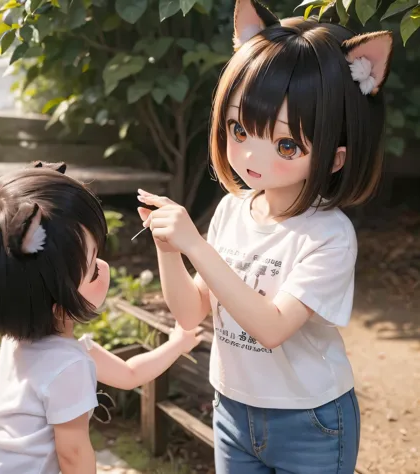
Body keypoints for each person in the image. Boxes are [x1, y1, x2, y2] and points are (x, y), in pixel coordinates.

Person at [136, 1, 393, 473]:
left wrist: (195, 245)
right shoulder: (233, 210)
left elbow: (272, 328)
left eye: (287, 144)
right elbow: (192, 312)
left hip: (311, 420)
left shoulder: (329, 236)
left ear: (335, 159)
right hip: (231, 408)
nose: (252, 155)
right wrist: (169, 249)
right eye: (239, 128)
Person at [0, 162, 202, 474]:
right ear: (56, 305)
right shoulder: (69, 366)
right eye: (93, 268)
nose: (105, 268)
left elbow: (129, 373)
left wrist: (177, 343)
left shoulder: (19, 335)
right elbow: (74, 456)